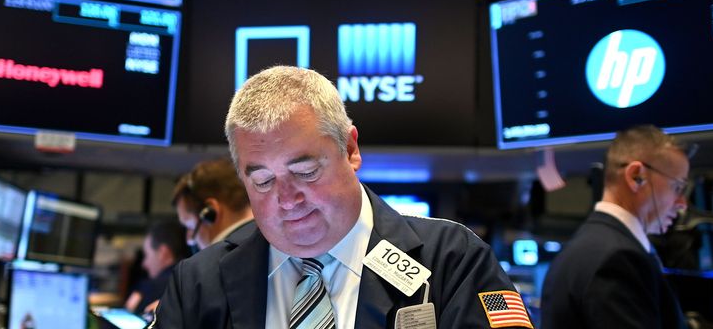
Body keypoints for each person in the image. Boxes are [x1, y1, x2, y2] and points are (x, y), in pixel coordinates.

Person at [154, 66, 532, 328]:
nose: (287, 199)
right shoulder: (199, 283)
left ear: (350, 149)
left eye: (305, 172)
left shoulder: (452, 262)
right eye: (264, 181)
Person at [541, 125, 690, 329]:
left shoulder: (588, 246)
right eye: (678, 186)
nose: (682, 202)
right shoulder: (617, 258)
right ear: (637, 176)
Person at [171, 158, 256, 251]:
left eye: (190, 226)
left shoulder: (218, 260)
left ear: (211, 212)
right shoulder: (269, 241)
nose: (189, 240)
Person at [125, 219, 190, 314]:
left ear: (163, 253)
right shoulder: (191, 279)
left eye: (147, 255)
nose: (144, 264)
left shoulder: (153, 288)